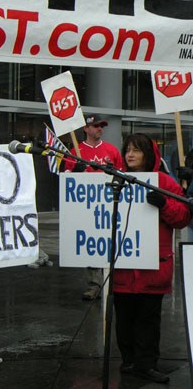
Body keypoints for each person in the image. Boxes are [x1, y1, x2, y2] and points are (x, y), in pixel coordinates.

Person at [114, 133, 190, 384]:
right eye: (127, 150)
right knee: (124, 318)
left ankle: (147, 364)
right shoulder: (117, 180)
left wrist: (164, 205)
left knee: (148, 319)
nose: (130, 155)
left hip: (153, 265)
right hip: (123, 266)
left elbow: (182, 218)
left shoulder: (165, 183)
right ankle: (129, 360)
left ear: (149, 154)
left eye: (136, 150)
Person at [64, 114, 125, 301]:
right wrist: (75, 172)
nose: (100, 129)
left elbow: (122, 173)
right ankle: (94, 285)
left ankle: (113, 282)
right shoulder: (76, 150)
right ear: (86, 128)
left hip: (109, 202)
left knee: (111, 242)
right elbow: (67, 181)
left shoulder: (111, 150)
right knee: (92, 244)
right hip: (87, 205)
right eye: (96, 126)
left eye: (101, 126)